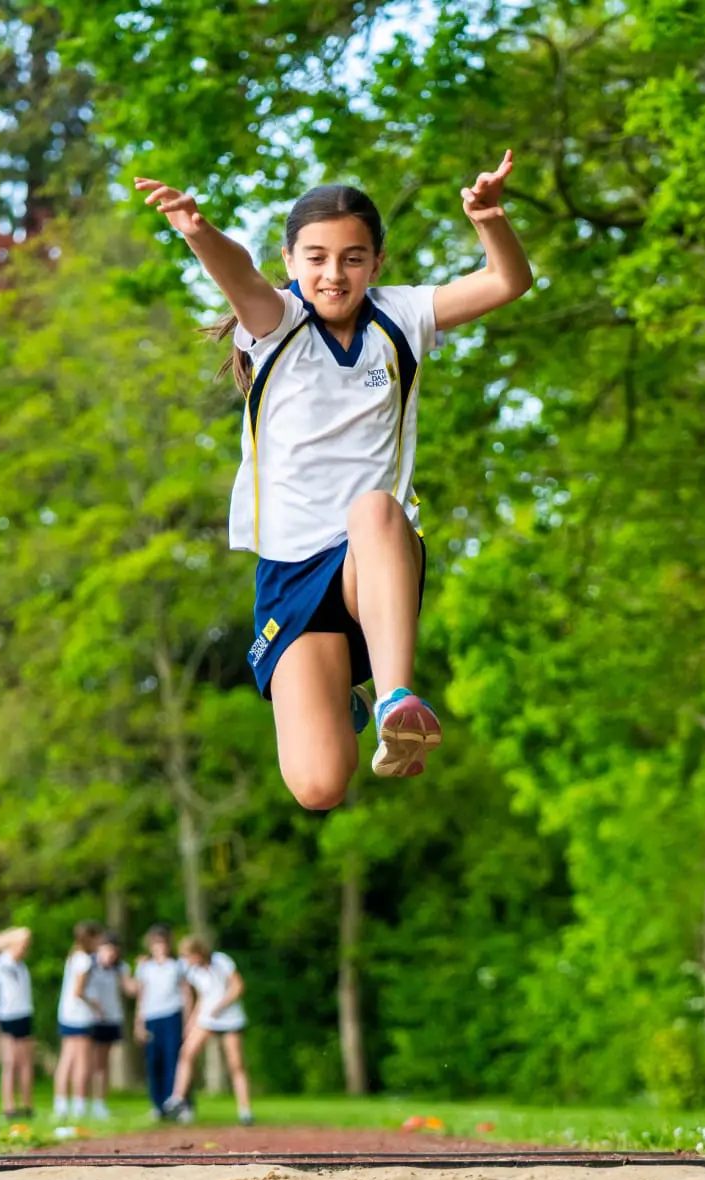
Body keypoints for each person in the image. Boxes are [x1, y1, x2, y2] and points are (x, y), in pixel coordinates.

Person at [134, 154, 532, 809]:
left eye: (352, 258)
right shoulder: (275, 325)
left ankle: (394, 697)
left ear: (376, 264)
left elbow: (507, 281)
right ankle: (344, 688)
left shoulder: (401, 317)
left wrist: (489, 219)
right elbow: (239, 274)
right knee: (319, 785)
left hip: (371, 560)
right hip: (290, 571)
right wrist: (196, 230)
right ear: (290, 261)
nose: (333, 273)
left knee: (375, 509)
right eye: (315, 257)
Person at [164, 936, 253, 1126]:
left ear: (198, 953)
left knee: (236, 1064)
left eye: (190, 956)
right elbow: (202, 997)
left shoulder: (221, 961)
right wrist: (191, 1021)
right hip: (207, 1018)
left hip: (230, 1019)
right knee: (187, 1053)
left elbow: (238, 986)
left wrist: (221, 1006)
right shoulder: (193, 972)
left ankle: (245, 1110)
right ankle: (178, 1098)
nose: (188, 961)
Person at [130, 924, 191, 1121]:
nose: (160, 947)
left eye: (163, 943)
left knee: (174, 1059)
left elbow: (186, 993)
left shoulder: (177, 965)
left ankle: (178, 1102)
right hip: (151, 1017)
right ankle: (158, 1105)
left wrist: (188, 1020)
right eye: (156, 943)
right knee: (154, 1061)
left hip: (172, 1015)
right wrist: (138, 1023)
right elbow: (141, 996)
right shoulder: (145, 967)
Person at [53, 920, 102, 1121]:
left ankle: (61, 1104)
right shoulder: (85, 960)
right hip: (80, 1015)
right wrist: (95, 1005)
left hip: (66, 1013)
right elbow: (79, 991)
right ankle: (79, 1104)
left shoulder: (73, 956)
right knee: (82, 1061)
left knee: (66, 1059)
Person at [0, 925, 36, 1120]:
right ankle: (8, 1107)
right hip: (8, 1015)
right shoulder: (0, 964)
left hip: (24, 1013)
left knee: (26, 1062)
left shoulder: (21, 966)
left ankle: (27, 1105)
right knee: (10, 1062)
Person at [84, 931, 129, 1122]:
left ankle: (100, 1103)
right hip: (92, 1019)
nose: (110, 955)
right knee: (88, 1063)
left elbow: (130, 988)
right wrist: (95, 1006)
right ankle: (82, 1101)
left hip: (112, 1018)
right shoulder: (88, 965)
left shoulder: (120, 968)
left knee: (103, 1063)